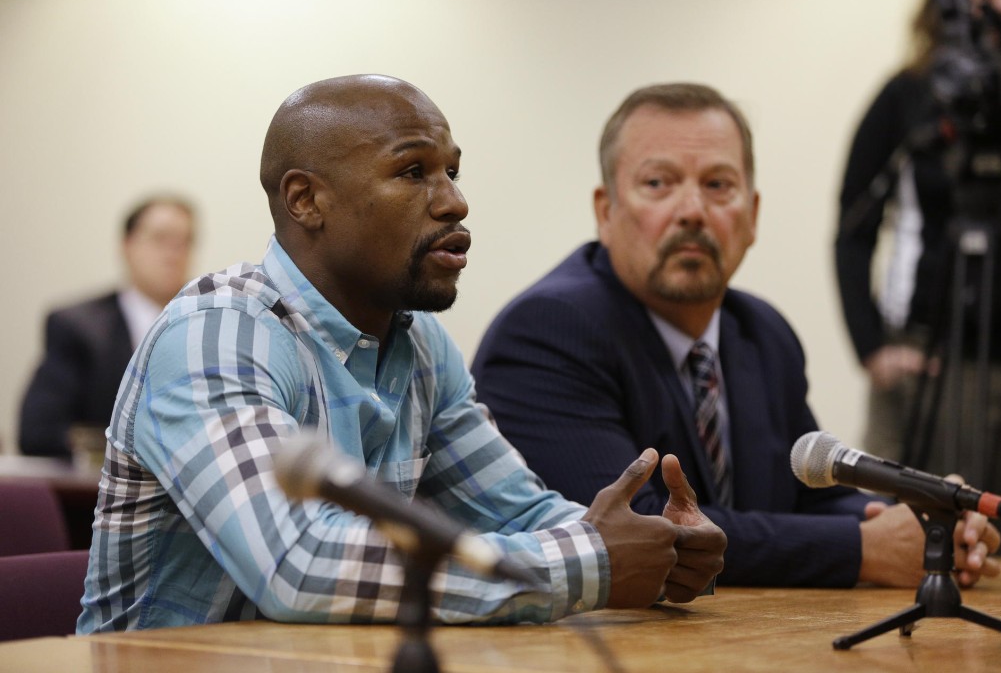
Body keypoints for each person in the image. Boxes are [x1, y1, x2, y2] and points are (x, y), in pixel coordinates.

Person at [77, 75, 726, 633]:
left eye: (452, 171)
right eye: (414, 172)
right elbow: (299, 565)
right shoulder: (216, 334)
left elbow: (516, 509)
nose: (454, 201)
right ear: (307, 200)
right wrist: (591, 561)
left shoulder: (416, 342)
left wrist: (651, 545)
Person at [470, 82, 1001, 588]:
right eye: (658, 184)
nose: (692, 211)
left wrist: (923, 525)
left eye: (718, 185)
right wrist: (863, 548)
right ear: (606, 212)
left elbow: (808, 502)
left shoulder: (762, 333)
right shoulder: (547, 331)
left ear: (751, 215)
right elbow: (634, 530)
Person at [835, 0, 1001, 554]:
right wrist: (872, 346)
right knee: (906, 541)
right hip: (925, 361)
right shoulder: (913, 95)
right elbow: (853, 226)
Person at [19, 196, 196, 458]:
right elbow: (38, 432)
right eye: (161, 239)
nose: (173, 254)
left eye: (184, 242)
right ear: (127, 246)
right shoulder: (77, 328)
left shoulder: (202, 326)